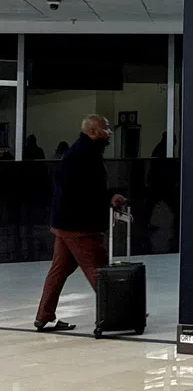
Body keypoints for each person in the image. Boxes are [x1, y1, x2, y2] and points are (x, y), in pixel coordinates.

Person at [34, 114, 127, 331]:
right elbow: (85, 191)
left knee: (59, 270)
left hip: (64, 224)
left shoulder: (78, 152)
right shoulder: (84, 154)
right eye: (105, 128)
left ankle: (44, 315)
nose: (109, 132)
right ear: (93, 131)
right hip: (80, 227)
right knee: (99, 269)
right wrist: (109, 198)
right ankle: (121, 312)